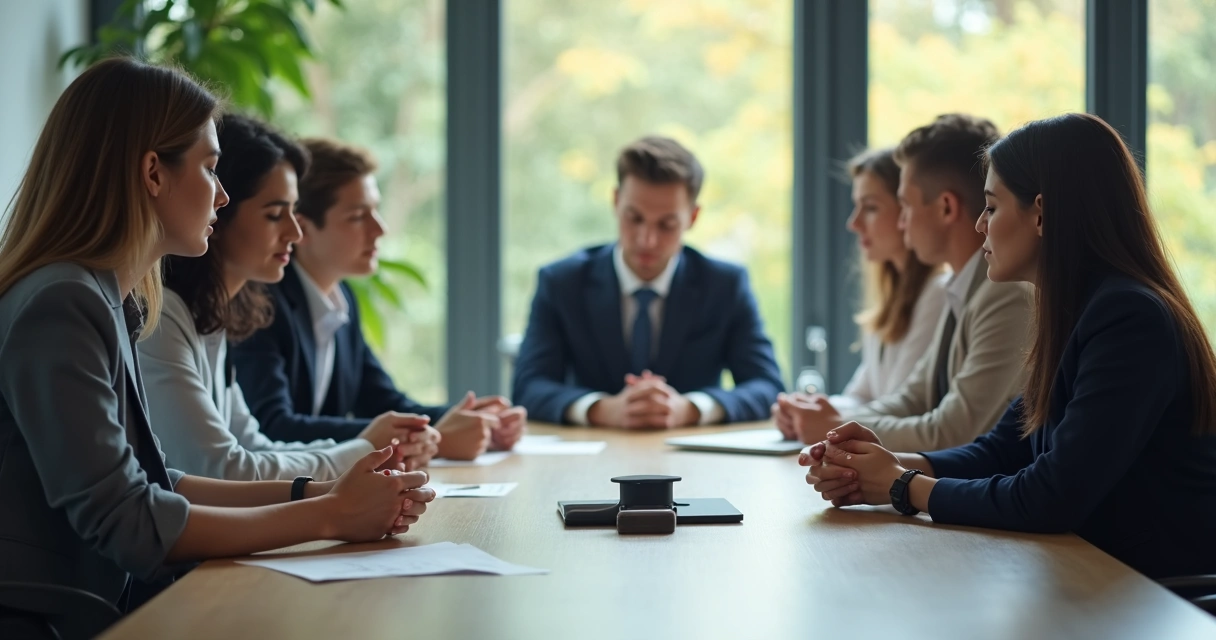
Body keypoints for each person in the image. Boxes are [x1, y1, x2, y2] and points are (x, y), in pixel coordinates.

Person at [0, 58, 433, 611]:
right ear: (153, 173)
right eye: (209, 169)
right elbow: (129, 521)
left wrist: (324, 493)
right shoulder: (63, 302)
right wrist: (330, 515)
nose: (222, 196)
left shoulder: (107, 297)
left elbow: (158, 480)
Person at [801, 113, 1216, 580]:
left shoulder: (1129, 319)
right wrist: (880, 467)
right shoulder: (1079, 310)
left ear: (1041, 213)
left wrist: (900, 486)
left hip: (1152, 597)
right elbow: (1000, 451)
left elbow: (1049, 497)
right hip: (1091, 579)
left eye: (992, 207)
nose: (980, 225)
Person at [140, 114, 440, 481]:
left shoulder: (212, 315)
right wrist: (363, 451)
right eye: (274, 215)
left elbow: (252, 444)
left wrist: (373, 449)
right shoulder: (164, 315)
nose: (294, 232)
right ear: (221, 212)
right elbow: (221, 467)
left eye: (293, 212)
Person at [232, 138, 524, 460]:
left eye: (376, 211)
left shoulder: (341, 299)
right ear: (304, 229)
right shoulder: (259, 304)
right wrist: (432, 438)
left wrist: (474, 420)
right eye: (358, 216)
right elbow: (273, 427)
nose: (379, 229)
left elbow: (385, 403)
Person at [774, 115, 1031, 452]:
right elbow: (912, 398)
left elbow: (954, 431)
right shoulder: (962, 287)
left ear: (945, 208)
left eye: (906, 205)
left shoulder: (1004, 294)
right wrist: (838, 426)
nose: (903, 219)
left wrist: (835, 428)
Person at [511, 135, 785, 428]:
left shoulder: (724, 285)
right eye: (634, 218)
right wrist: (602, 409)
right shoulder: (562, 282)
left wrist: (690, 408)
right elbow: (528, 387)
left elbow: (768, 387)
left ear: (692, 217)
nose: (647, 240)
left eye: (666, 224)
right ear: (616, 202)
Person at [825, 147, 947, 410]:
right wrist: (811, 409)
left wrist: (824, 418)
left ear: (906, 210)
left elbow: (899, 403)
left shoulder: (938, 292)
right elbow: (861, 395)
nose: (853, 223)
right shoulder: (892, 297)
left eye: (870, 207)